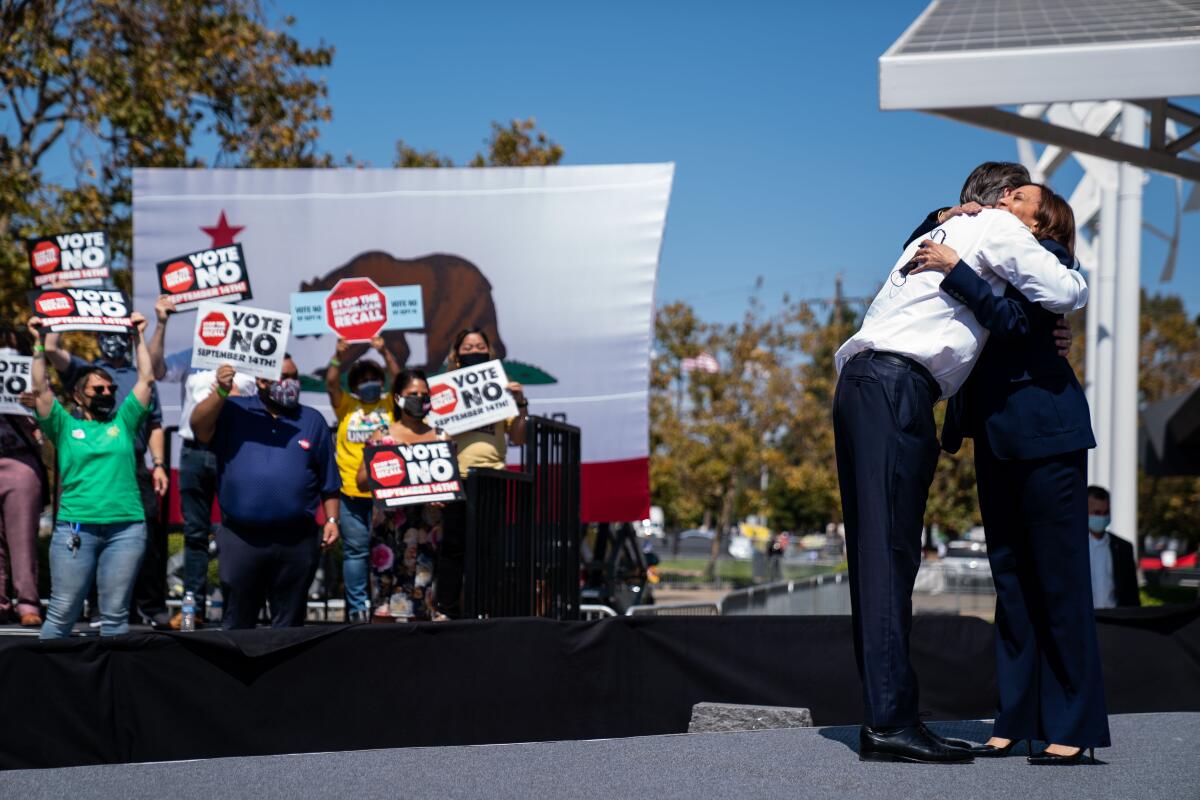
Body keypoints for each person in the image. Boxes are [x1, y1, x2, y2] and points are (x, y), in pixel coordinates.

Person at [832, 161, 1088, 764]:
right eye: (1030, 197)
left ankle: (889, 716)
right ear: (1004, 200)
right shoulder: (999, 228)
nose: (1036, 209)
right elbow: (1067, 290)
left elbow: (1008, 314)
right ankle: (891, 722)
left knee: (878, 557)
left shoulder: (940, 233)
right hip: (896, 387)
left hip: (867, 385)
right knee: (889, 559)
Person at [909, 181, 1111, 764]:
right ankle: (1016, 716)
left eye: (1020, 197)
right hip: (995, 439)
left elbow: (1015, 323)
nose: (1006, 201)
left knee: (1060, 584)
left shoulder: (1048, 263)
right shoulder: (990, 253)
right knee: (1012, 585)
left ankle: (1074, 726)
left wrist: (955, 270)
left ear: (1044, 222)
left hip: (1049, 436)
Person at [29, 313, 155, 638]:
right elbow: (40, 388)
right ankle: (42, 685)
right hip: (76, 529)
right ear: (78, 396)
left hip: (125, 529)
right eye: (97, 388)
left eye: (111, 388)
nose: (107, 392)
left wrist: (139, 336)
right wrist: (39, 343)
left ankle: (112, 687)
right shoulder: (64, 425)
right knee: (62, 613)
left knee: (114, 618)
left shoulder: (123, 423)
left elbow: (146, 380)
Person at [190, 356, 340, 629]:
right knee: (238, 622)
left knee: (289, 624)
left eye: (294, 376)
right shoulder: (235, 410)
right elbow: (199, 427)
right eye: (283, 377)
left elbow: (329, 480)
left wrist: (331, 520)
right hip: (241, 538)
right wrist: (222, 391)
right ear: (261, 380)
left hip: (297, 540)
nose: (290, 383)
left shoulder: (312, 420)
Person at [150, 297, 258, 628]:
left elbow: (250, 401)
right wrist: (162, 322)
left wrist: (226, 388)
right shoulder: (193, 358)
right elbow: (156, 370)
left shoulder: (249, 363)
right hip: (194, 452)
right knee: (195, 533)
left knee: (234, 533)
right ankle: (192, 605)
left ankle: (234, 606)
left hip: (233, 453)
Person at [434, 328, 528, 620]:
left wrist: (521, 403)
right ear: (457, 355)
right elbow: (437, 437)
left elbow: (519, 437)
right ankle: (447, 608)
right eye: (467, 346)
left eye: (479, 346)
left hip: (491, 478)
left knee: (489, 547)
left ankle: (485, 608)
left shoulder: (502, 390)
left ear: (489, 353)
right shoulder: (444, 393)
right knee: (453, 547)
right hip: (457, 478)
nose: (473, 350)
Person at [355, 368, 443, 620]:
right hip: (390, 531)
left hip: (427, 532)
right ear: (397, 398)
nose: (419, 398)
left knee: (422, 603)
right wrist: (389, 468)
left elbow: (450, 483)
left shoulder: (440, 436)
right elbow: (360, 482)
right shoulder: (382, 437)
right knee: (384, 606)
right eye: (412, 393)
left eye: (424, 394)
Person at [327, 336, 400, 622]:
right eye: (362, 380)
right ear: (355, 387)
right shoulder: (346, 405)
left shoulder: (390, 404)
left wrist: (385, 351)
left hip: (387, 492)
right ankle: (358, 608)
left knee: (389, 552)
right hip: (350, 491)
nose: (369, 383)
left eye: (374, 378)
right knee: (356, 552)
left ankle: (388, 606)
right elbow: (332, 383)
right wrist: (337, 357)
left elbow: (399, 376)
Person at [0, 323, 46, 627]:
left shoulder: (32, 377)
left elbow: (47, 409)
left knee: (22, 538)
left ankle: (27, 603)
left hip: (19, 461)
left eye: (12, 346)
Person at [1086, 486, 1140, 609]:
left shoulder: (1123, 548)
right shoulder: (1072, 549)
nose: (1102, 517)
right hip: (1082, 623)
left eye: (1106, 513)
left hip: (1114, 621)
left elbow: (1131, 593)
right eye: (1097, 513)